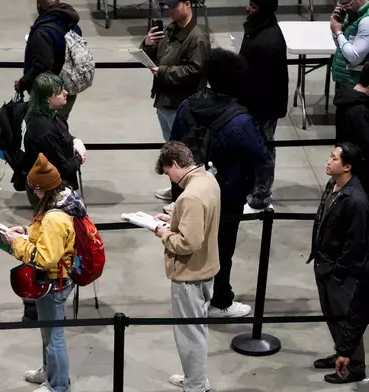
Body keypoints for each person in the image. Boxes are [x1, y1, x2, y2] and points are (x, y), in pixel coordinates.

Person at [170, 48, 274, 318]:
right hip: (227, 196)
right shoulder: (240, 120)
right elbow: (262, 157)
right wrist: (259, 199)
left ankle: (193, 299)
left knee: (190, 243)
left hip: (189, 191)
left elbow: (173, 148)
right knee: (222, 248)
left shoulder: (186, 106)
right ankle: (220, 300)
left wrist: (176, 192)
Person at [4, 153, 86, 392]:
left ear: (42, 188)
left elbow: (44, 259)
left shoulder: (54, 218)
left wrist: (16, 243)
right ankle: (48, 371)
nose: (33, 193)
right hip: (62, 277)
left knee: (54, 336)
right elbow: (48, 237)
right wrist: (27, 232)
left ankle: (58, 385)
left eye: (34, 189)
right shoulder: (65, 199)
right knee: (48, 331)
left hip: (54, 282)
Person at [153, 141, 220, 392]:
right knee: (197, 329)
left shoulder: (190, 196)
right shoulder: (208, 181)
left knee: (189, 333)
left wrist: (163, 233)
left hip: (189, 273)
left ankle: (195, 385)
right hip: (207, 267)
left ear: (175, 164)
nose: (169, 178)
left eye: (167, 171)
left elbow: (187, 242)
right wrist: (174, 220)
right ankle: (196, 377)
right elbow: (198, 223)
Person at [21, 72, 86, 322]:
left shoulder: (49, 117)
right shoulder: (43, 130)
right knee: (46, 247)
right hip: (47, 194)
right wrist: (78, 157)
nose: (66, 94)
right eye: (60, 92)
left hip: (50, 190)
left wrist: (74, 141)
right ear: (48, 98)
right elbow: (63, 168)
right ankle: (35, 303)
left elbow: (65, 137)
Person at [308, 143, 369, 384]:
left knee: (345, 316)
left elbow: (356, 245)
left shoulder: (356, 201)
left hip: (339, 272)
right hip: (325, 264)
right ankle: (341, 352)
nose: (328, 161)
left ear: (347, 166)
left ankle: (355, 366)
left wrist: (337, 271)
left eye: (334, 158)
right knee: (332, 315)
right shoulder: (333, 185)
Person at [140, 0, 210, 205]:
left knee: (185, 154)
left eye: (173, 6)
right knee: (172, 150)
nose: (169, 11)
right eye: (167, 7)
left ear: (187, 4)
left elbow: (194, 71)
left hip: (181, 104)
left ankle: (184, 196)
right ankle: (176, 189)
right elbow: (161, 57)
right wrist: (148, 45)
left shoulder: (197, 38)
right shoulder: (170, 30)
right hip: (165, 100)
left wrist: (163, 72)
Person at [15, 0, 82, 120]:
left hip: (49, 95)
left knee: (45, 130)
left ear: (39, 6)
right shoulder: (73, 25)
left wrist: (23, 83)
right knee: (59, 126)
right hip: (69, 88)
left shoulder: (42, 32)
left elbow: (42, 66)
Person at [238, 0, 288, 159]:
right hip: (256, 105)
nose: (248, 8)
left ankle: (262, 184)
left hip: (262, 109)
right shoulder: (258, 28)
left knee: (262, 149)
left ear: (263, 11)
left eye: (253, 6)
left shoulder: (268, 42)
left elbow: (266, 85)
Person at [330, 0, 369, 141]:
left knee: (351, 139)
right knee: (341, 135)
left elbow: (354, 57)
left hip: (356, 86)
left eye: (347, 2)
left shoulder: (366, 21)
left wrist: (338, 32)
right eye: (340, 2)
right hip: (345, 81)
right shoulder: (352, 14)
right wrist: (337, 31)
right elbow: (342, 46)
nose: (343, 6)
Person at [332, 62, 369, 190]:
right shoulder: (359, 110)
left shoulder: (347, 98)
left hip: (346, 167)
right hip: (357, 173)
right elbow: (366, 143)